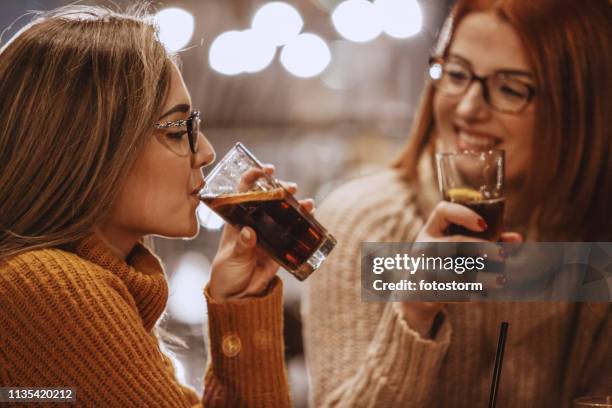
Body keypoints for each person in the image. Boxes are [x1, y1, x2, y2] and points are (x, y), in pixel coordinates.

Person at [303, 0, 611, 406]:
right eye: (457, 73)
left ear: (579, 108)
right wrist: (414, 313)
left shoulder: (594, 246)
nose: (467, 108)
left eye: (510, 89)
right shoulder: (361, 224)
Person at [0, 6, 311, 406]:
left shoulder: (82, 283)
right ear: (90, 145)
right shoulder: (50, 286)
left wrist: (240, 303)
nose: (207, 153)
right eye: (179, 130)